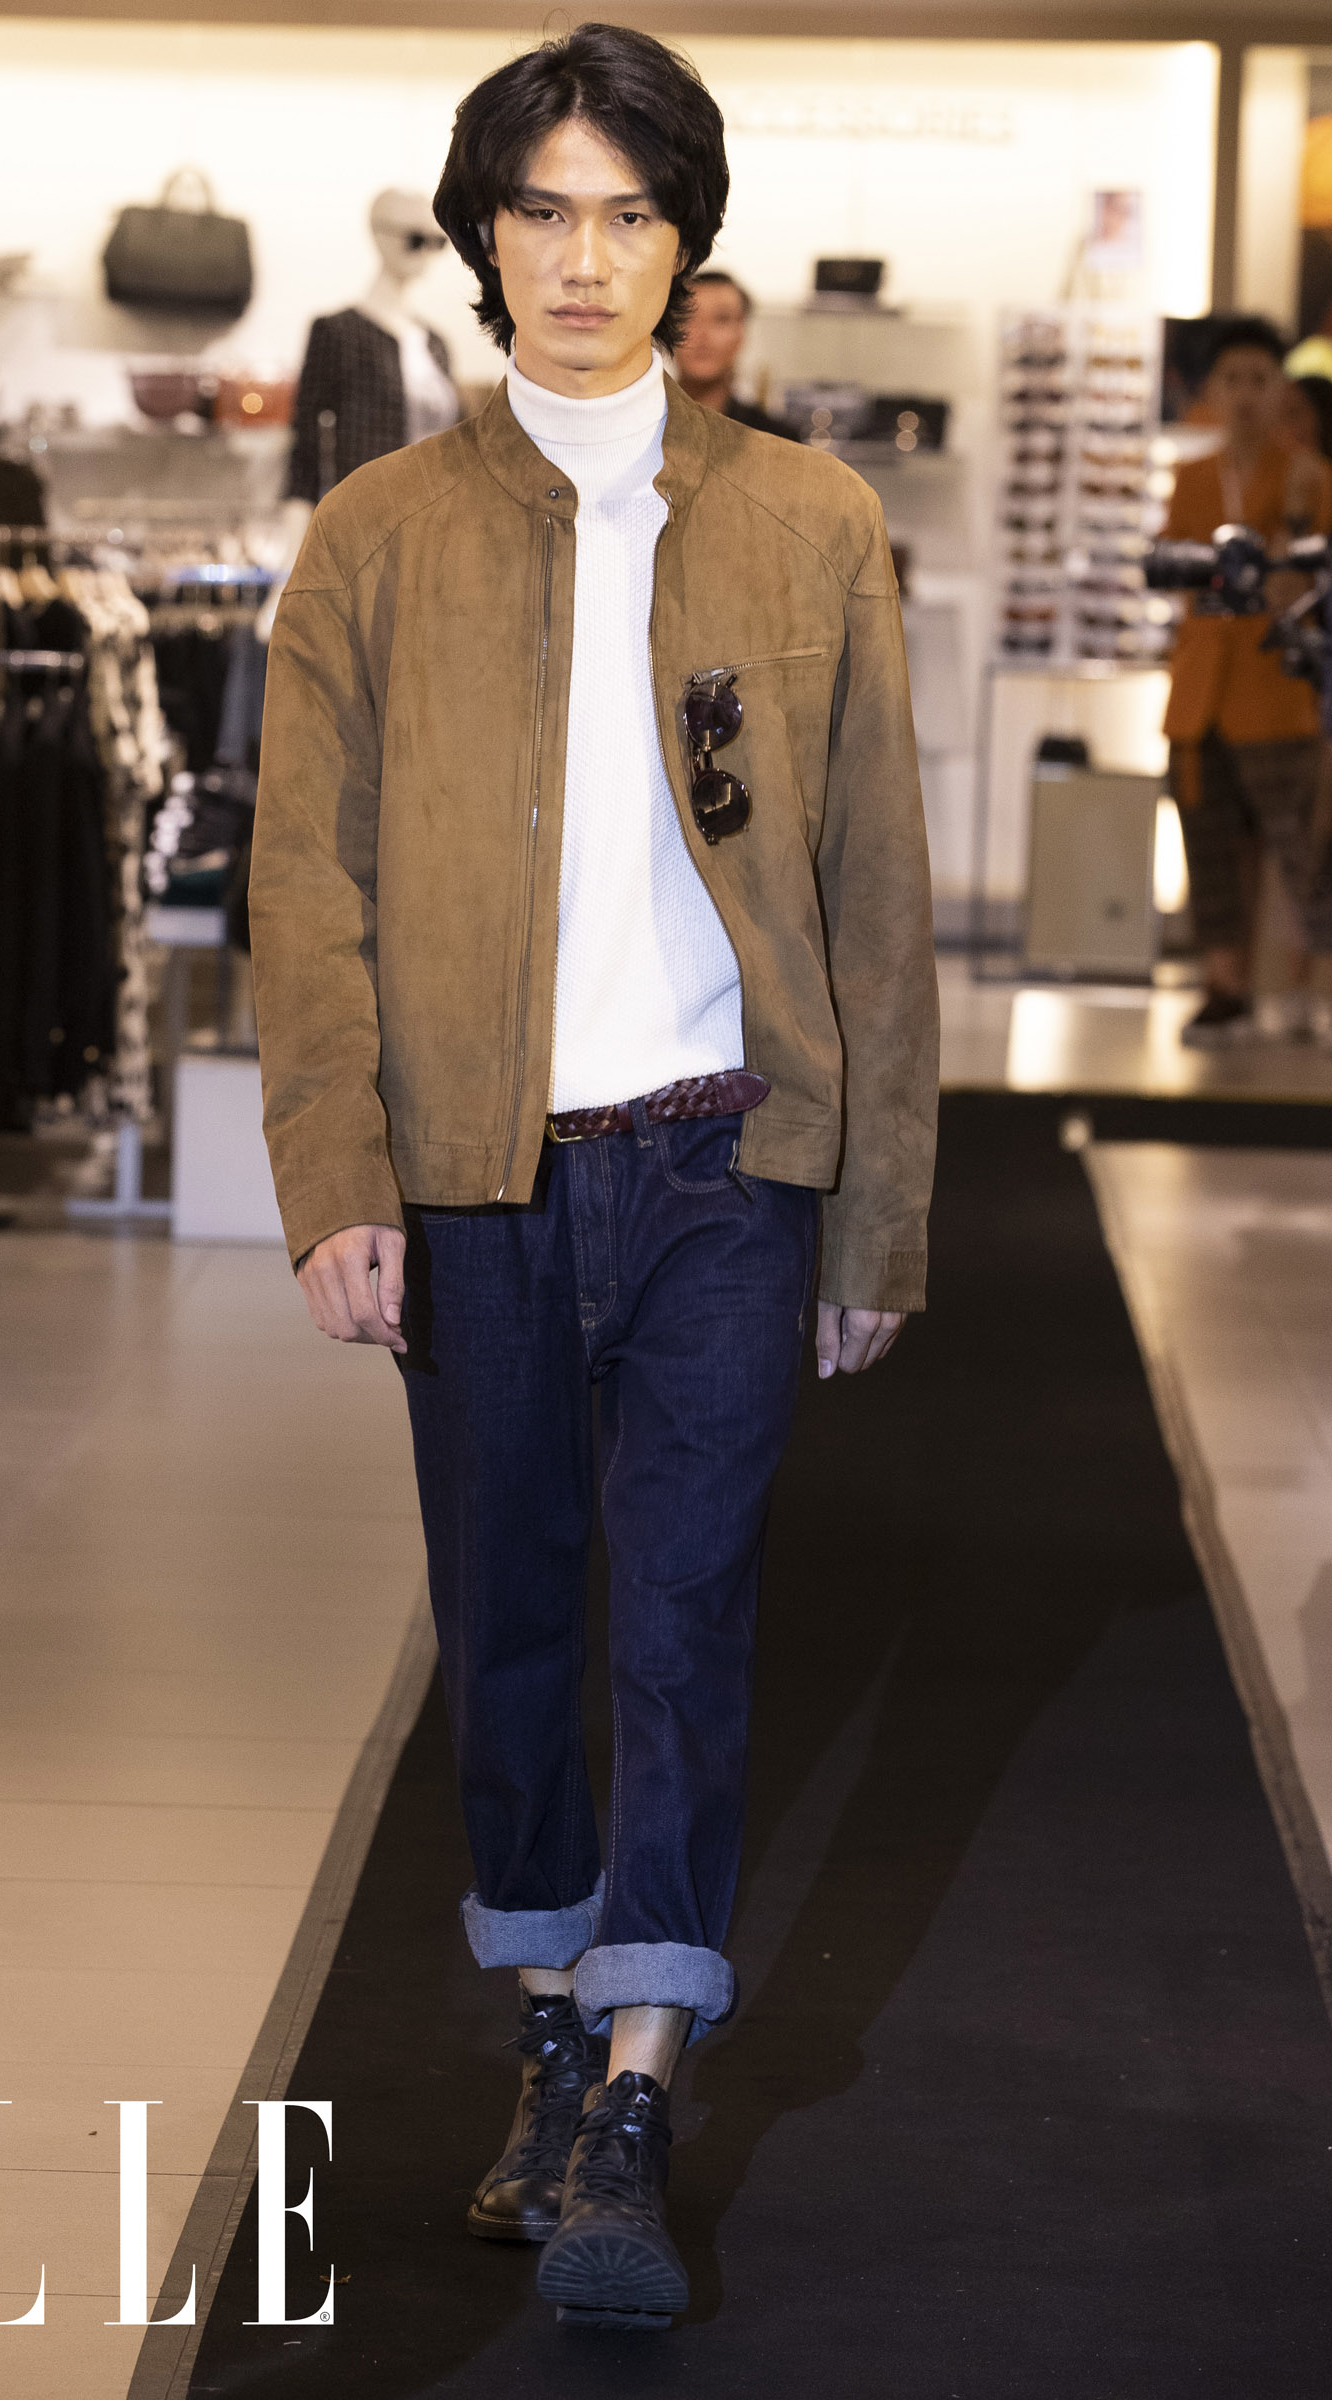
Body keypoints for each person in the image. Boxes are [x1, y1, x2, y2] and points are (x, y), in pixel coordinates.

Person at [250, 22, 936, 2330]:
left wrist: (875, 1200)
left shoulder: (807, 522)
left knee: (686, 1614)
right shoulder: (376, 535)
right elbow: (304, 884)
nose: (580, 255)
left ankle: (638, 2080)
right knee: (512, 1620)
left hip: (723, 1161)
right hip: (474, 1180)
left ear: (684, 246)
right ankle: (547, 2027)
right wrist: (333, 1166)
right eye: (539, 210)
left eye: (625, 212)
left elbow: (873, 889)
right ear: (482, 240)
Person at [1162, 316, 1332, 1047]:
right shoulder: (1194, 478)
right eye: (1232, 380)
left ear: (1279, 389)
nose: (1245, 394)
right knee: (1209, 849)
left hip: (1277, 690)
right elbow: (1172, 567)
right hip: (1201, 694)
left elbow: (1308, 580)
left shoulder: (1309, 477)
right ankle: (1223, 989)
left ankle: (1313, 987)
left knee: (1304, 852)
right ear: (1213, 390)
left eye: (1259, 380)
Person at [671, 266, 796, 435]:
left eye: (721, 319)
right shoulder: (639, 427)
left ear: (741, 334)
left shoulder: (775, 439)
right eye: (686, 317)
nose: (703, 334)